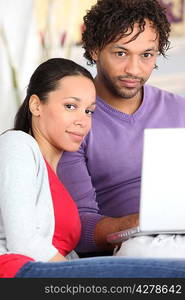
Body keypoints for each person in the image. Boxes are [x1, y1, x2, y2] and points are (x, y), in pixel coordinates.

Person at [2, 59, 185, 279]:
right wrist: (90, 281)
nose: (83, 120)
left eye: (89, 111)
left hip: (51, 273)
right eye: (70, 106)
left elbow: (66, 253)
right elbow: (24, 243)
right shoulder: (17, 144)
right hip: (18, 270)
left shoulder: (56, 174)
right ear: (36, 105)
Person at [57, 0, 185, 257]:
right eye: (121, 53)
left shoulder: (179, 109)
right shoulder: (73, 120)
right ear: (94, 49)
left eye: (147, 55)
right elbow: (78, 230)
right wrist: (145, 224)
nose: (134, 70)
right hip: (132, 248)